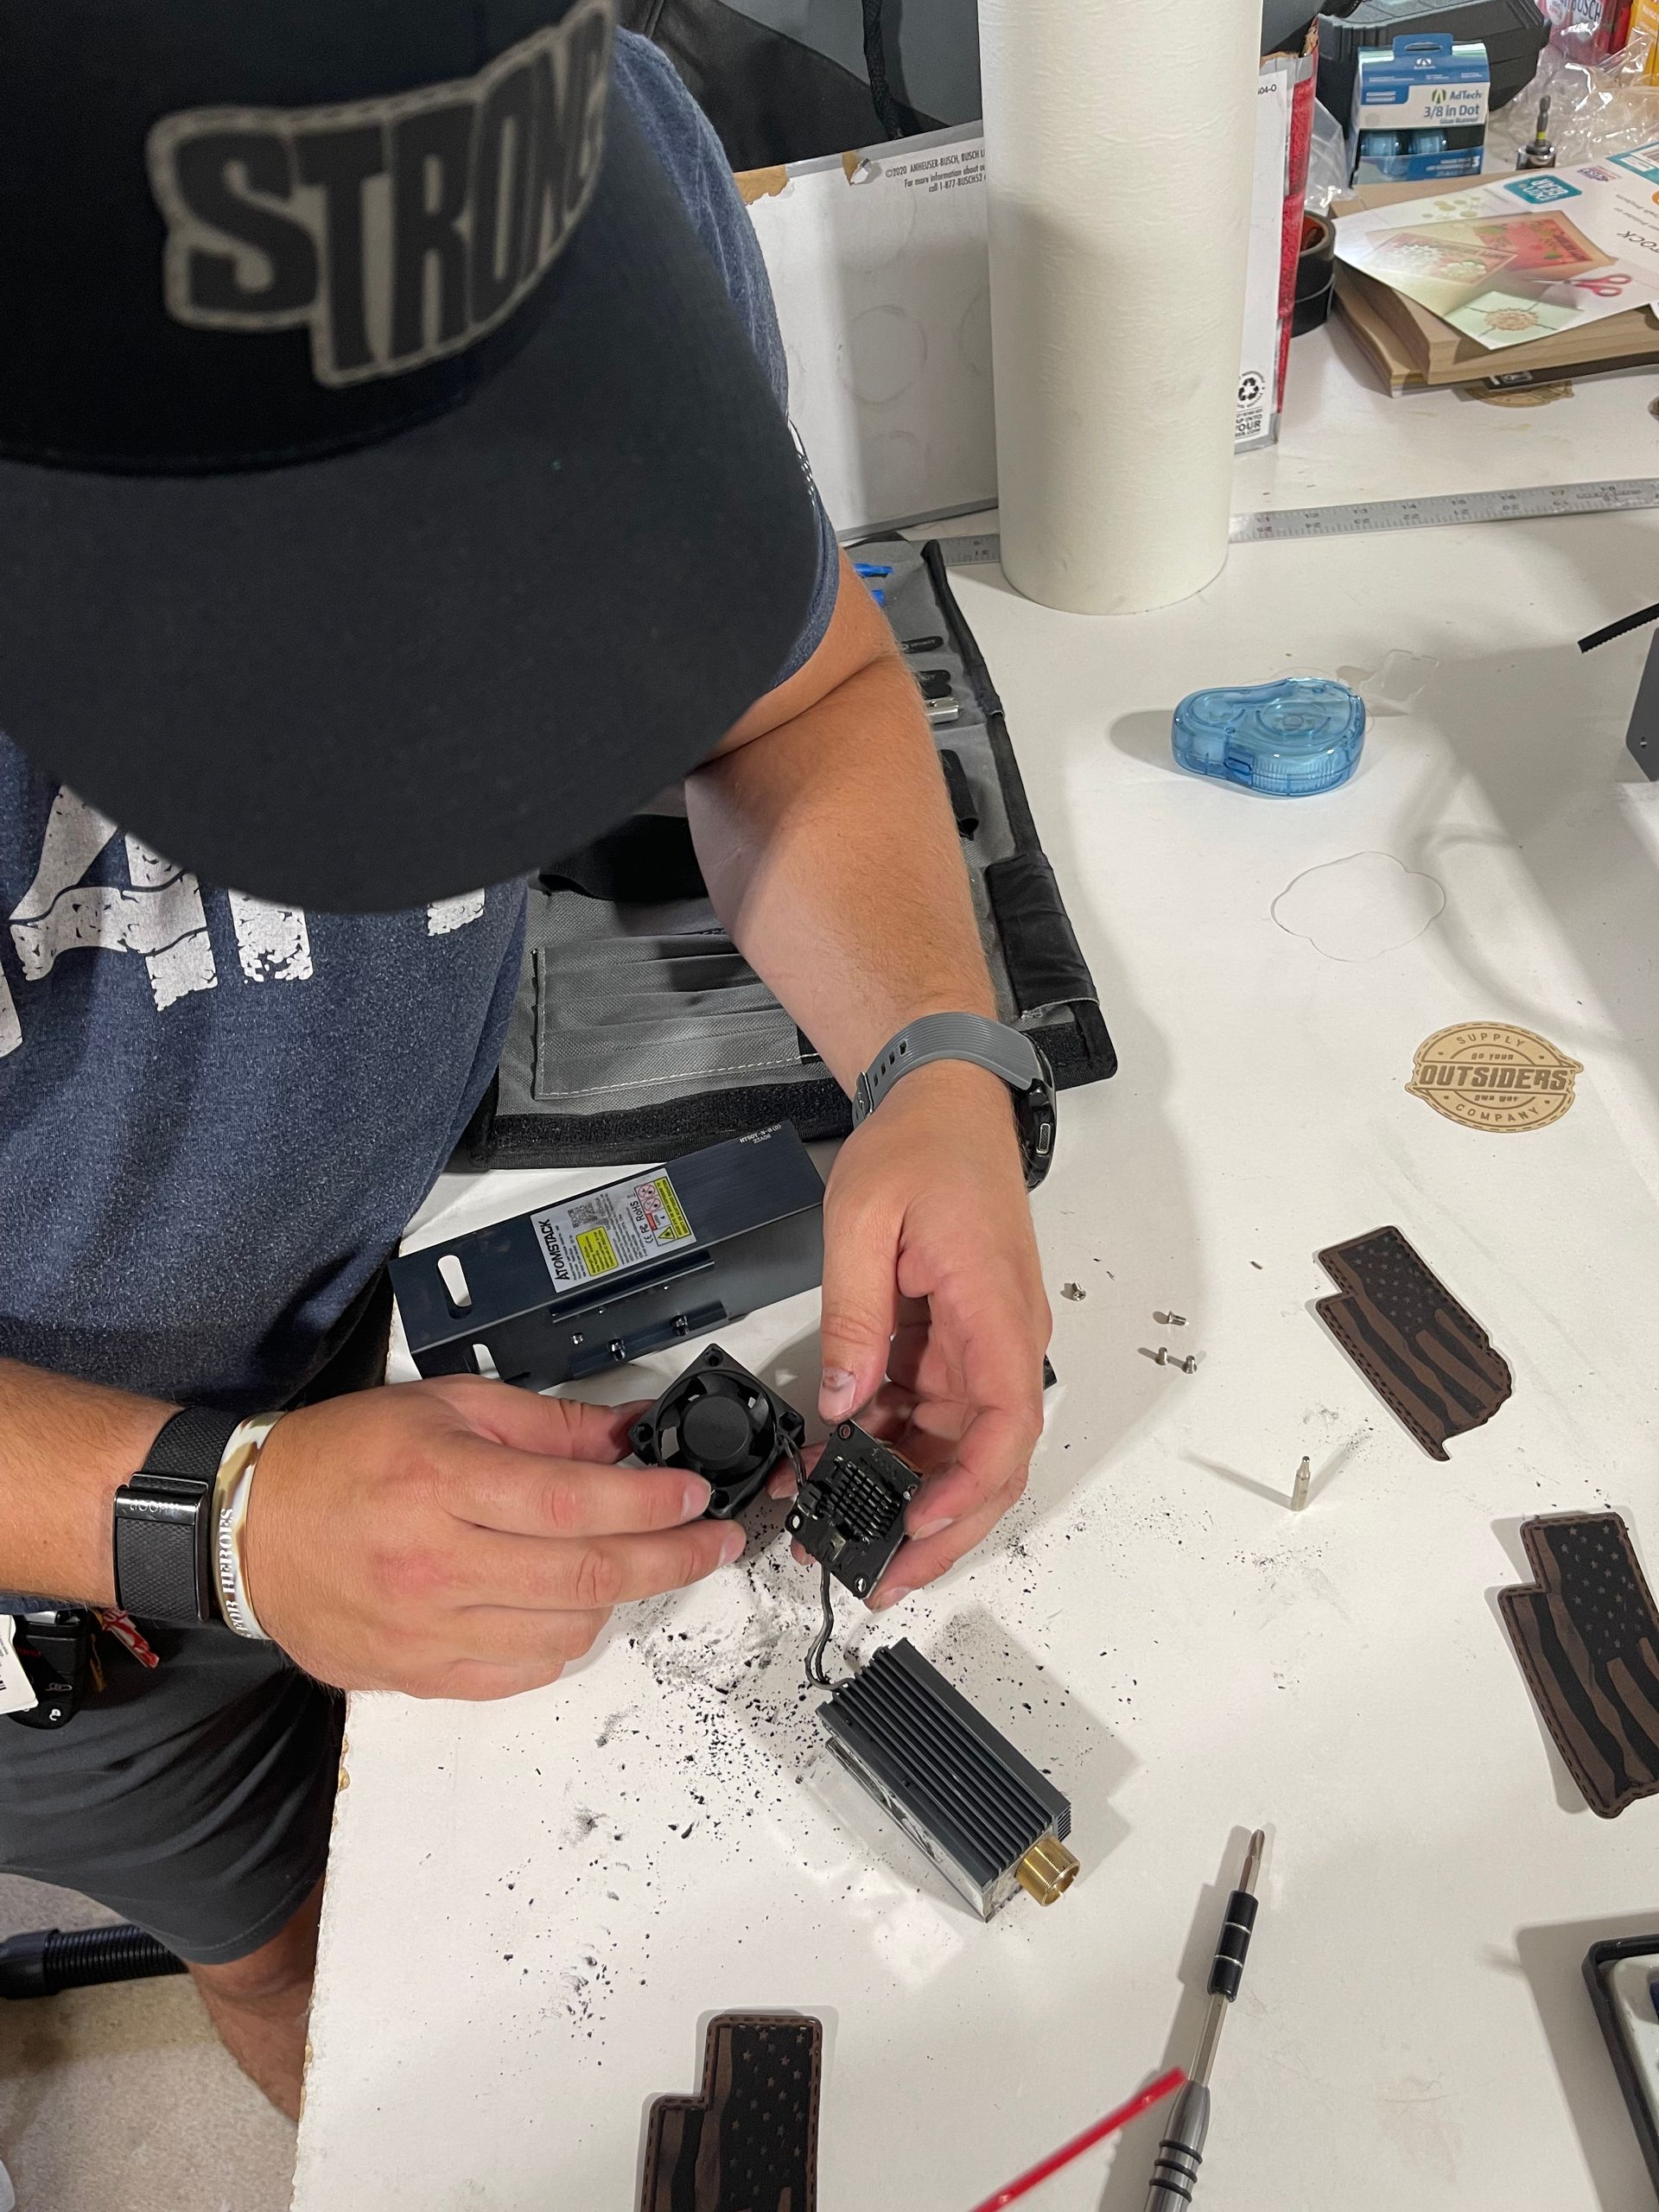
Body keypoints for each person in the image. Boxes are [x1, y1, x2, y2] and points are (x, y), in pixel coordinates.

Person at [0, 0, 1051, 2121]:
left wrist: (935, 1056)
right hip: (63, 1537)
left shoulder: (590, 151)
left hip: (386, 1288)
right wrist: (218, 1515)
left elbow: (793, 690)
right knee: (334, 1963)